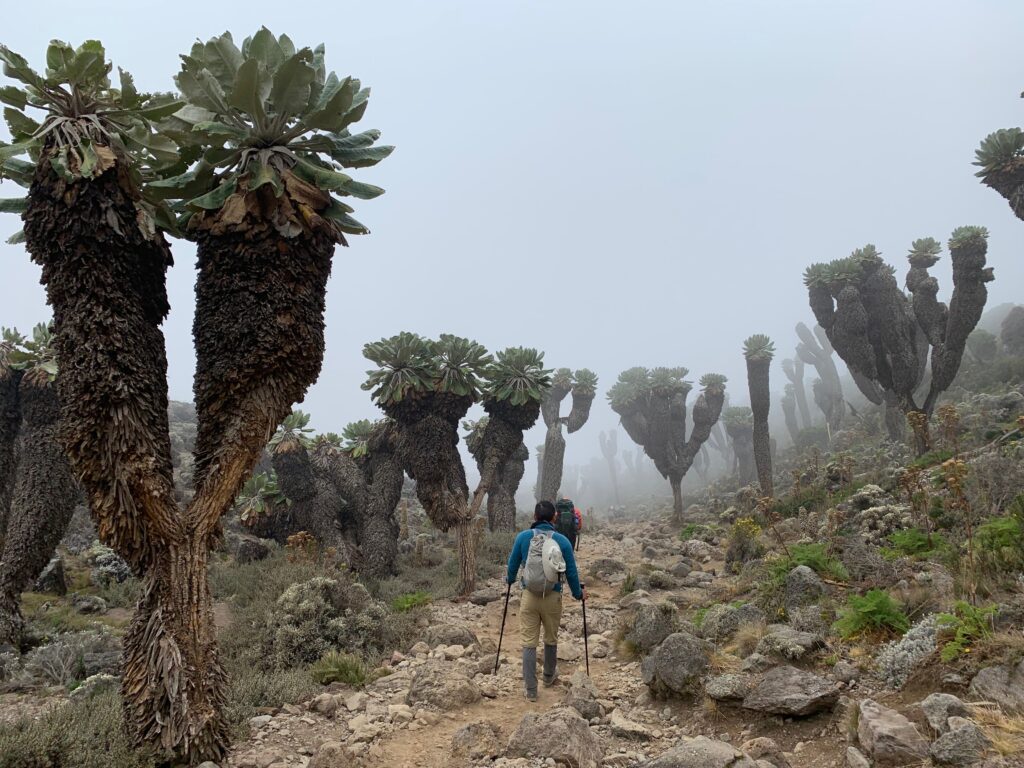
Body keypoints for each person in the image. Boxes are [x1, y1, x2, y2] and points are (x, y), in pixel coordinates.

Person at [506, 500, 584, 700]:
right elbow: (571, 572)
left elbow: (513, 564)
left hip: (529, 596)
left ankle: (531, 690)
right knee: (550, 638)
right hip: (553, 596)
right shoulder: (562, 541)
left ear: (534, 517)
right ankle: (548, 677)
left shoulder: (523, 537)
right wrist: (578, 594)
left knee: (529, 643)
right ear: (554, 517)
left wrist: (509, 580)